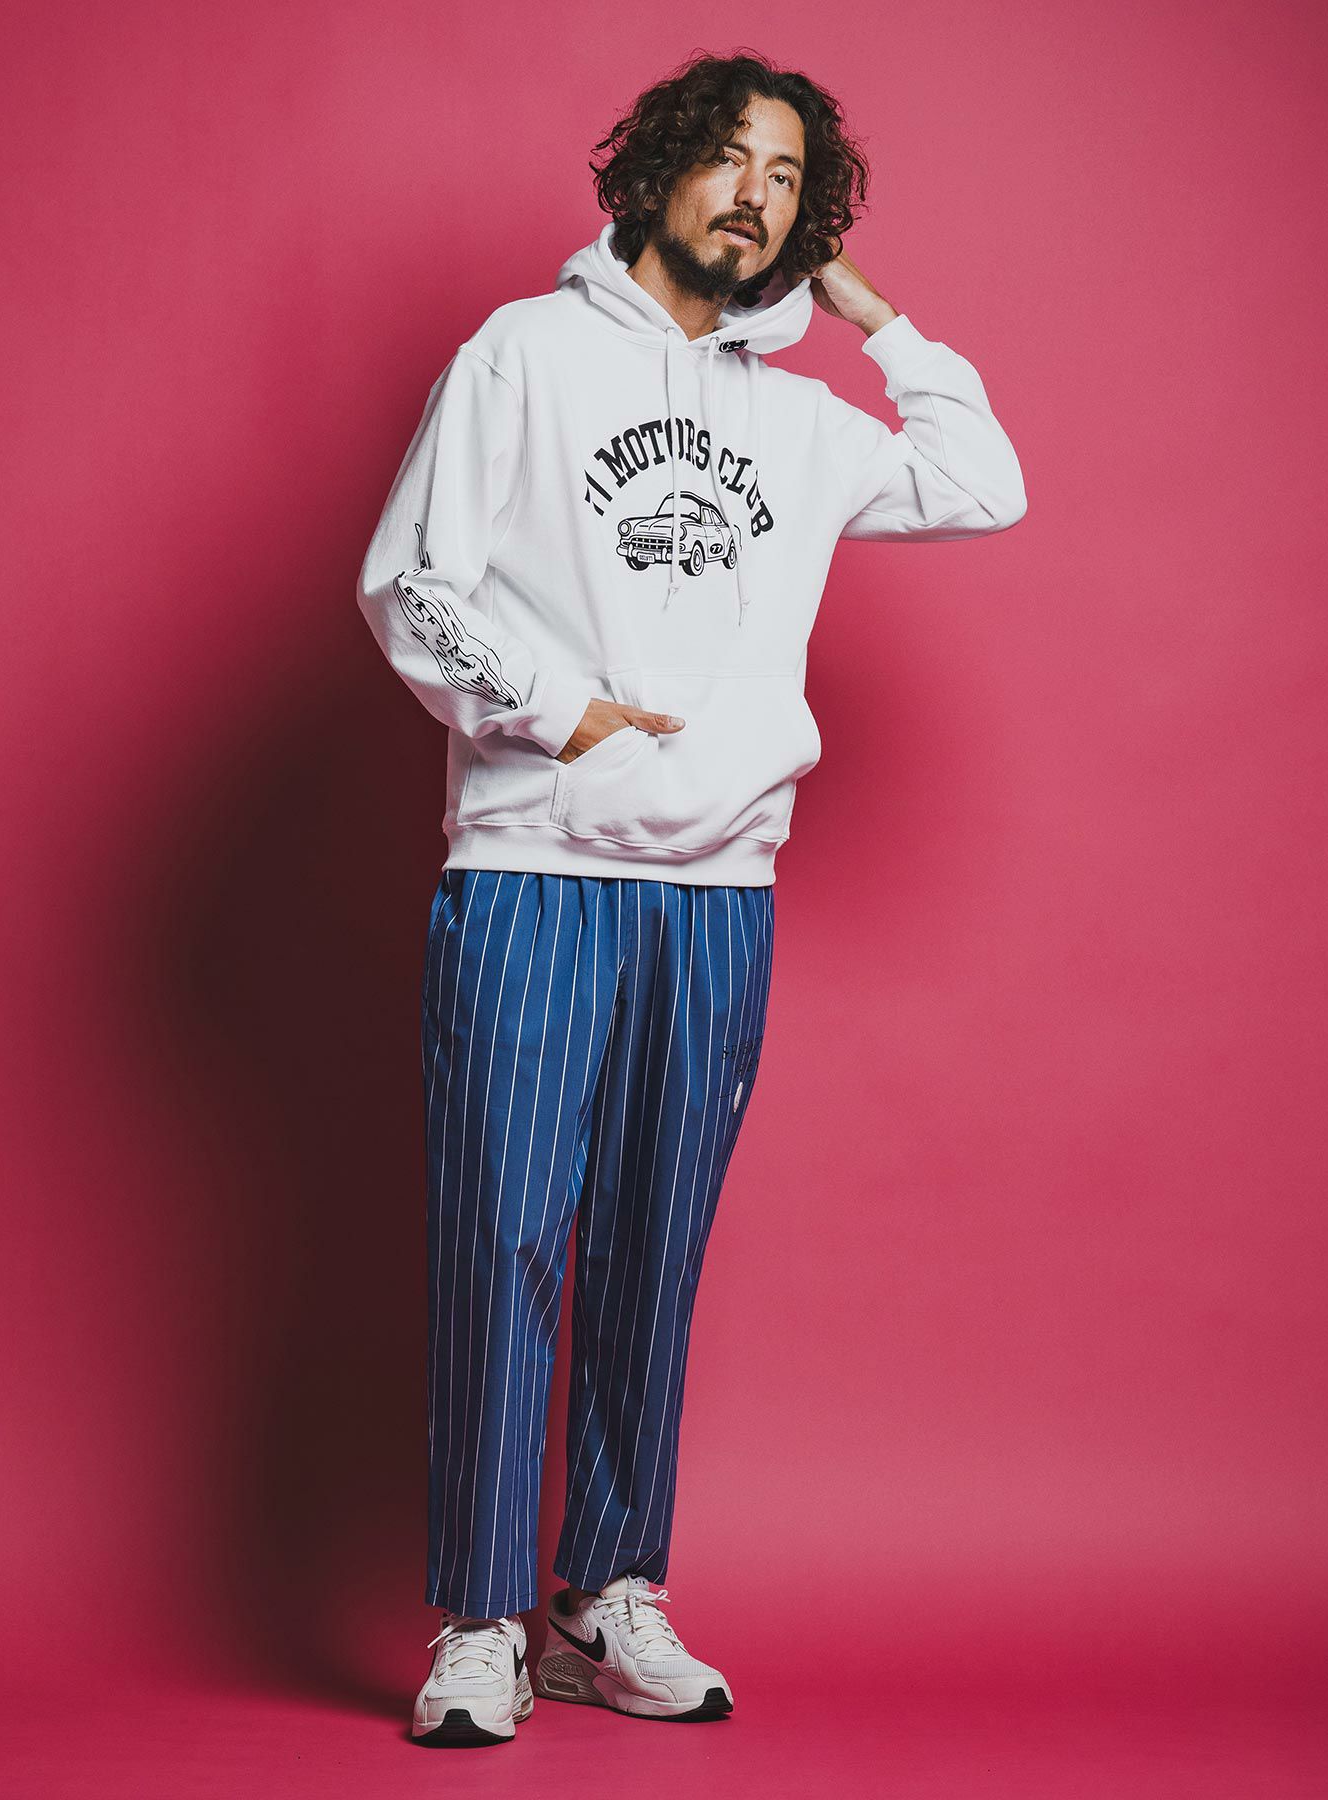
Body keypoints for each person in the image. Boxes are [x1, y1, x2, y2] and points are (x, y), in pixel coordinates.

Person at [356, 51, 1026, 1748]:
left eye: (788, 177)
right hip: (535, 870)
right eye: (727, 158)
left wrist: (866, 310)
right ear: (655, 171)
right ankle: (482, 1620)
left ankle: (606, 1597)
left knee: (654, 1254)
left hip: (718, 892)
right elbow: (411, 579)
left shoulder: (799, 420)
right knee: (505, 1239)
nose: (754, 194)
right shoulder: (522, 352)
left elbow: (984, 481)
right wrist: (555, 710)